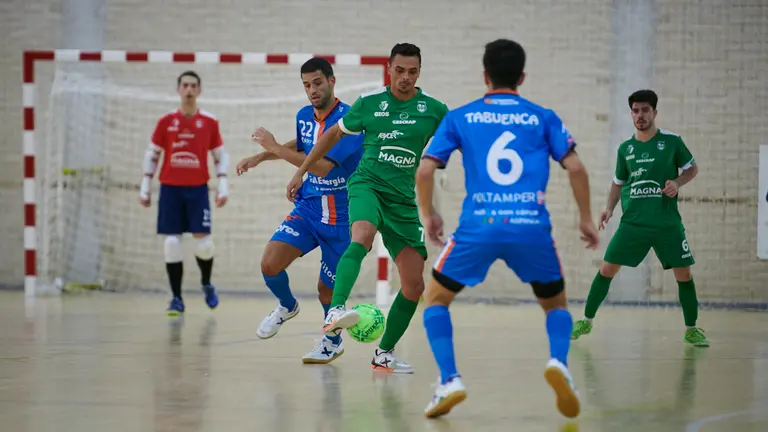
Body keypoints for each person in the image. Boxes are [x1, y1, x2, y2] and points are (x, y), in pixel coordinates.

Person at [415, 39, 598, 419]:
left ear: (485, 76)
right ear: (522, 77)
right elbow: (577, 168)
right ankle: (559, 363)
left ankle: (449, 380)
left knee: (435, 299)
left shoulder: (461, 117)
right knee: (555, 305)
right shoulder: (542, 117)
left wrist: (429, 213)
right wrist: (585, 218)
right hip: (531, 228)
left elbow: (425, 170)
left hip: (478, 227)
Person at [284, 43, 449, 373]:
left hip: (402, 200)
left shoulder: (434, 110)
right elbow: (331, 136)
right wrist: (301, 171)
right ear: (389, 69)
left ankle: (384, 353)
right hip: (367, 185)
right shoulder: (369, 104)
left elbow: (455, 143)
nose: (405, 77)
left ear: (419, 72)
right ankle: (336, 309)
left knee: (414, 285)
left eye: (412, 71)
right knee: (362, 235)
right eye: (399, 70)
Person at [238, 57, 364, 364]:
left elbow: (321, 166)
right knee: (270, 264)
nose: (312, 90)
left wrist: (274, 147)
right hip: (309, 209)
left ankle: (332, 342)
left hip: (341, 218)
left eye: (317, 83)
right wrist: (261, 156)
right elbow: (304, 145)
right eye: (307, 85)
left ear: (332, 81)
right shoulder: (304, 116)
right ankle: (287, 305)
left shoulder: (350, 120)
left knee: (326, 292)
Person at [571, 89, 708, 347]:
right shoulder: (626, 149)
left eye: (645, 110)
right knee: (606, 269)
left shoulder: (672, 142)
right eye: (635, 110)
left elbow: (692, 169)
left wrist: (677, 183)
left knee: (684, 274)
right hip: (633, 223)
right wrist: (609, 208)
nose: (640, 115)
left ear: (654, 112)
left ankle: (691, 329)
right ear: (631, 114)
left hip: (666, 223)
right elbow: (618, 182)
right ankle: (586, 321)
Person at [139, 71, 228, 315]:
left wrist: (223, 185)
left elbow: (220, 155)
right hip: (170, 189)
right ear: (178, 89)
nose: (189, 89)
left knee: (205, 244)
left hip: (198, 190)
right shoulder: (166, 121)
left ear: (199, 90)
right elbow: (153, 154)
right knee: (171, 243)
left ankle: (206, 283)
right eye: (185, 85)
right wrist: (145, 186)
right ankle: (176, 298)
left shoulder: (209, 121)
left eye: (193, 85)